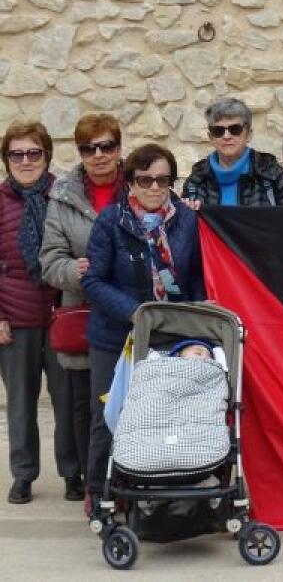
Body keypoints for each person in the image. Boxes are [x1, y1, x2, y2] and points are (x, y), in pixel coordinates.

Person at [82, 143, 205, 508]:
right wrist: (136, 311)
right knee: (109, 412)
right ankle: (99, 490)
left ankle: (154, 489)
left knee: (161, 414)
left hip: (170, 334)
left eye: (163, 179)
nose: (154, 187)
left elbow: (196, 276)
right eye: (145, 179)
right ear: (131, 181)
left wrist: (196, 312)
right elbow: (93, 281)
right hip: (116, 334)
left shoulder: (186, 219)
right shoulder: (110, 220)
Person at [38, 113, 126, 504]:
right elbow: (50, 260)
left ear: (119, 148)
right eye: (90, 148)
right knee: (86, 406)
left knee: (127, 401)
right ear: (80, 153)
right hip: (84, 312)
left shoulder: (140, 183)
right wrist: (76, 269)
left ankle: (128, 479)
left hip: (127, 311)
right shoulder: (63, 196)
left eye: (106, 146)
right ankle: (93, 485)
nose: (99, 155)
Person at [0, 121, 74, 505]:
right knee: (21, 404)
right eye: (17, 154)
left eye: (33, 153)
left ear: (46, 155)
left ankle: (72, 473)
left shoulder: (64, 195)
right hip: (14, 317)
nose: (26, 161)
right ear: (6, 159)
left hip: (60, 313)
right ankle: (24, 475)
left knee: (67, 399)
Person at [181, 98, 283, 207]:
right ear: (211, 138)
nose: (226, 136)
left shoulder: (272, 174)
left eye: (235, 129)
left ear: (249, 135)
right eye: (218, 131)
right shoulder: (196, 180)